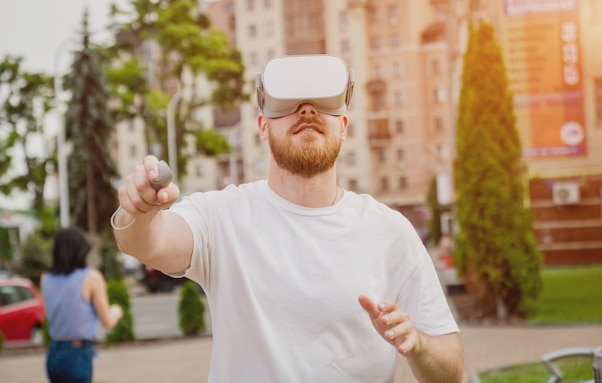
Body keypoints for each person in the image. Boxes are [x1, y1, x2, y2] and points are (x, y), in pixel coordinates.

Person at [112, 54, 464, 382]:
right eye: (290, 105)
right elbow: (147, 242)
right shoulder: (221, 217)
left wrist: (417, 343)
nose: (307, 110)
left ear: (344, 126)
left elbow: (451, 370)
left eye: (321, 104)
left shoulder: (391, 231)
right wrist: (138, 210)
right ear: (263, 126)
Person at [41, 227, 123, 383]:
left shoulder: (45, 278)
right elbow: (107, 322)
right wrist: (117, 310)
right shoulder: (91, 277)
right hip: (77, 355)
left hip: (53, 354)